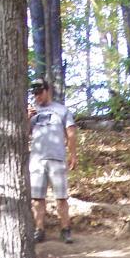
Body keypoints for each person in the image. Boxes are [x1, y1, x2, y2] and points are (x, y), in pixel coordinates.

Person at [28, 78, 77, 244]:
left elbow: (71, 133)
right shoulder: (32, 111)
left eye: (40, 92)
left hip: (57, 158)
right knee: (37, 197)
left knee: (61, 197)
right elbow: (23, 133)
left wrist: (73, 155)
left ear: (47, 91)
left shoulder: (62, 110)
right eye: (34, 93)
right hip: (36, 159)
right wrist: (26, 118)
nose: (37, 96)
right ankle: (39, 229)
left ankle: (65, 229)